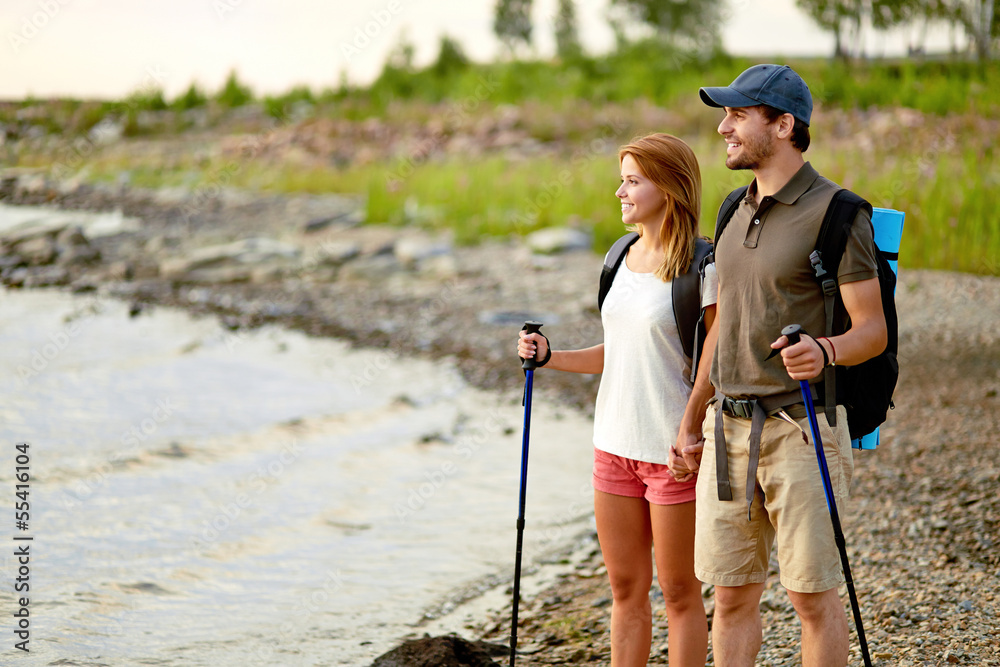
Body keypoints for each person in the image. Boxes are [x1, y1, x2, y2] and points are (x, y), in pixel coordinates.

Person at [669, 64, 887, 666]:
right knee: (732, 597)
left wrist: (826, 350)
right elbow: (723, 329)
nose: (724, 128)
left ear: (784, 124)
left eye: (738, 115)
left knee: (809, 598)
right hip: (726, 428)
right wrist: (692, 417)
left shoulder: (838, 213)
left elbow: (871, 329)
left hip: (802, 429)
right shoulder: (731, 211)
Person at [518, 133, 713, 667]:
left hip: (674, 456)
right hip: (613, 448)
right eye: (622, 179)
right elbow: (621, 352)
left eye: (632, 180)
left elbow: (715, 362)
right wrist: (550, 357)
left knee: (679, 595)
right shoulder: (619, 256)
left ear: (668, 187)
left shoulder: (703, 266)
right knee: (625, 592)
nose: (620, 192)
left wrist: (691, 425)